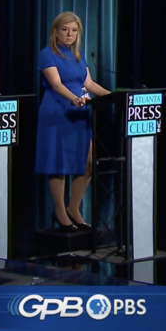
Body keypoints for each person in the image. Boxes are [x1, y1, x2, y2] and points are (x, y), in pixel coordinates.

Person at [34, 12, 110, 232]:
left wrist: (113, 96)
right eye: (65, 29)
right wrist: (74, 98)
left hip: (79, 114)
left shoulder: (78, 55)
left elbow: (89, 83)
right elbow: (56, 84)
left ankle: (73, 209)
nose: (70, 34)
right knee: (58, 163)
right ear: (55, 32)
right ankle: (59, 211)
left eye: (74, 30)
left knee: (86, 161)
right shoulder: (48, 54)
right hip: (57, 112)